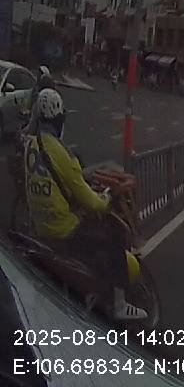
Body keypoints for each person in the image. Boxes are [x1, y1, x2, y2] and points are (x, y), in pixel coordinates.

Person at [22, 89, 148, 320]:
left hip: (39, 227)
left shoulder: (31, 145)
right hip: (65, 230)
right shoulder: (61, 153)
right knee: (114, 233)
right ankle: (119, 305)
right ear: (59, 120)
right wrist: (106, 200)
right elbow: (90, 201)